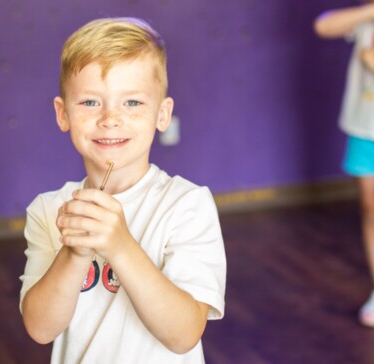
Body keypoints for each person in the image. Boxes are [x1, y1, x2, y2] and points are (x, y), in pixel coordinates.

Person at [18, 17, 226, 363]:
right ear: (62, 113)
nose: (110, 118)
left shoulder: (187, 205)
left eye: (132, 103)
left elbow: (184, 334)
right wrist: (74, 253)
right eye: (89, 102)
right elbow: (40, 329)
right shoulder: (48, 209)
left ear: (162, 114)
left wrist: (120, 245)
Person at [314, 1, 374, 328]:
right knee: (372, 209)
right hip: (365, 130)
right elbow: (324, 26)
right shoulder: (368, 17)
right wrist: (373, 12)